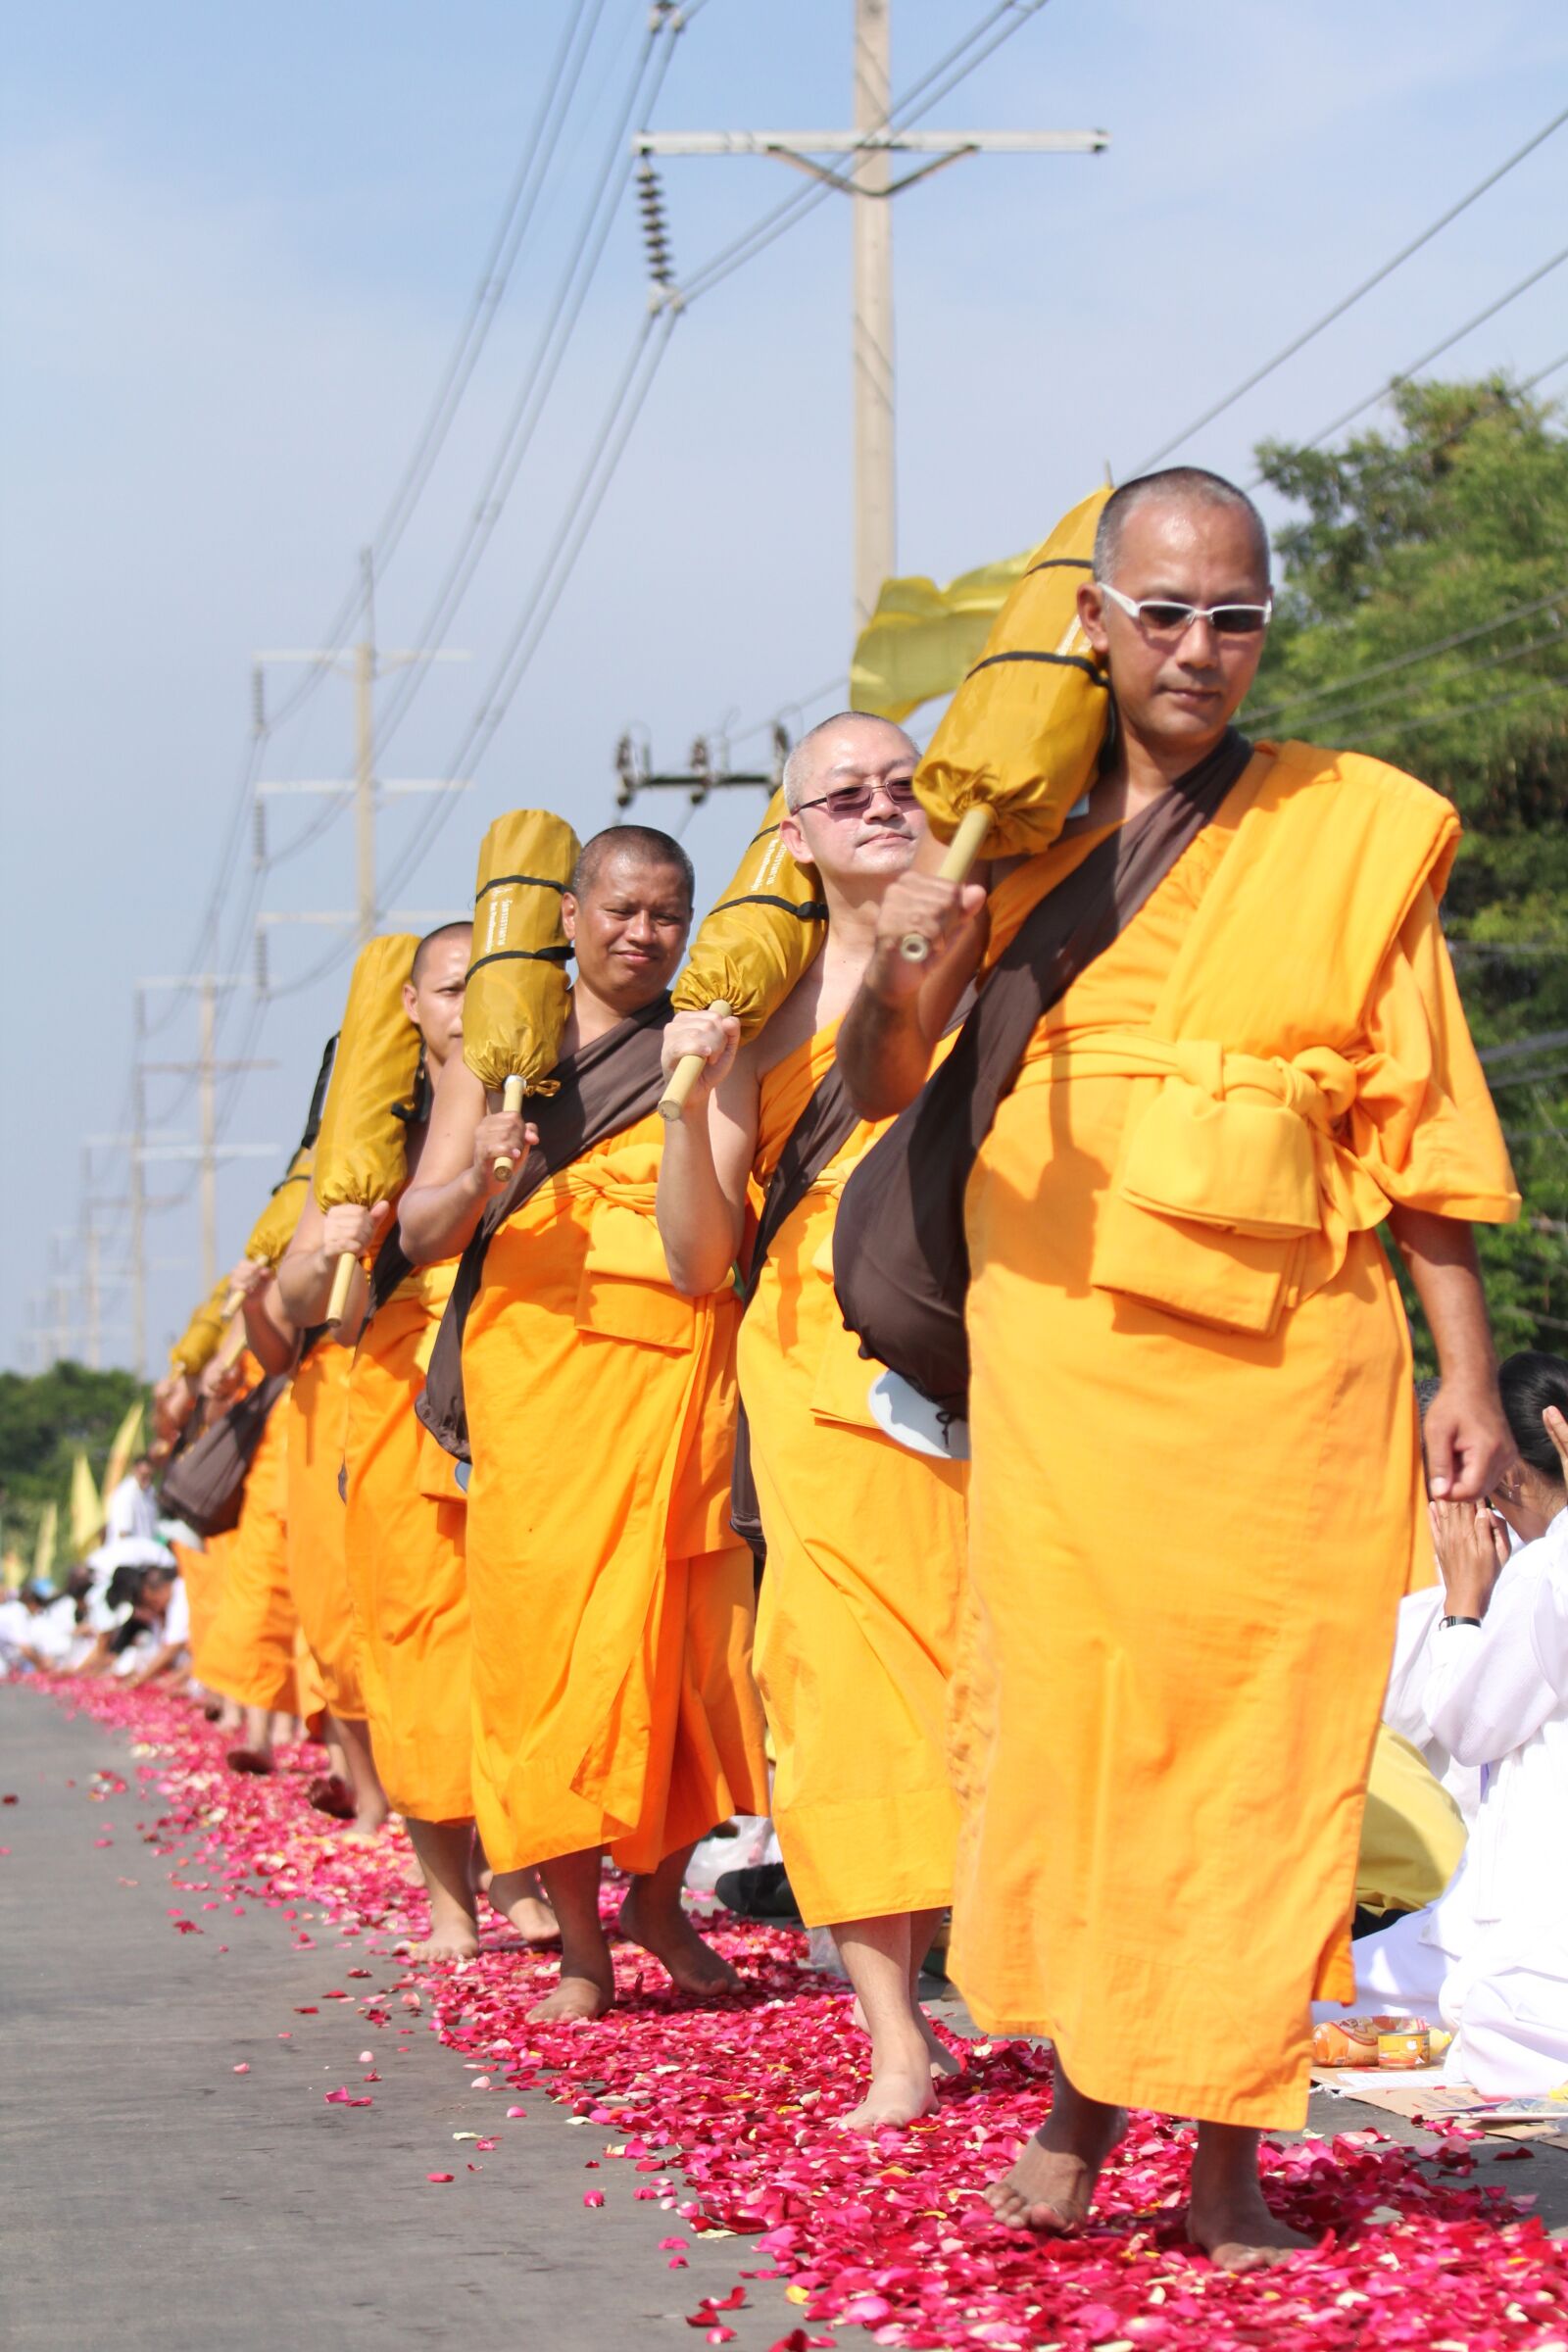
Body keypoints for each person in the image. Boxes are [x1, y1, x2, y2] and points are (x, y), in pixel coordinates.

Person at [836, 466, 1519, 2266]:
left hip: (1297, 1367)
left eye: (1236, 616)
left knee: (1267, 1757)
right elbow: (898, 1083)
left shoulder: (1345, 827)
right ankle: (1078, 2097)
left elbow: (1418, 1123)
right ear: (1095, 624)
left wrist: (1471, 1381)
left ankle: (1221, 2149)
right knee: (1088, 1739)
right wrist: (900, 957)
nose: (1200, 650)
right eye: (1164, 613)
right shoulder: (1017, 835)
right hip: (1072, 1358)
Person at [655, 713, 972, 2131]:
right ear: (795, 836)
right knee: (843, 1700)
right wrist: (684, 1100)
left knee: (1011, 1671)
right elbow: (694, 1254)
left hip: (990, 1339)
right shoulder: (765, 1012)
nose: (879, 809)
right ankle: (898, 2043)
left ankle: (1056, 1986)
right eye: (844, 796)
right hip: (816, 1371)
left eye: (903, 787)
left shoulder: (994, 945)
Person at [400, 824, 768, 2020]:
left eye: (667, 915)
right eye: (619, 910)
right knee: (544, 1660)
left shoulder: (705, 1044)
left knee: (674, 1654)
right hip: (535, 1391)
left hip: (665, 1385)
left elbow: (701, 1253)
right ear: (568, 914)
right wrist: (481, 1175)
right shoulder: (506, 1044)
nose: (641, 935)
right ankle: (578, 1944)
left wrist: (688, 1100)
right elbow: (421, 1234)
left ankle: (655, 1898)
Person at [336, 922, 554, 1954]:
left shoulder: (543, 1089)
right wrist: (340, 1236)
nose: (472, 1003)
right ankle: (447, 1901)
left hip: (506, 1367)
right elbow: (319, 1311)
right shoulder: (370, 1126)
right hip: (394, 1378)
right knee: (421, 1641)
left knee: (509, 1633)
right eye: (452, 987)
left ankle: (518, 1865)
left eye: (493, 981)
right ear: (413, 1007)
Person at [1346, 1354, 1568, 2093]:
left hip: (1528, 1932)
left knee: (1486, 2035)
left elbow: (1467, 1729)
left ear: (1503, 1477)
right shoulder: (1539, 1563)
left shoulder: (1544, 1568)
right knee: (1327, 1996)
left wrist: (1466, 1604)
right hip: (1471, 1911)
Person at [104, 1456, 160, 1544]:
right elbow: (123, 1532)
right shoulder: (125, 1493)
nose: (147, 1480)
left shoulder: (150, 1492)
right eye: (144, 1475)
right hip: (126, 1552)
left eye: (150, 1476)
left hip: (145, 1550)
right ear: (135, 1472)